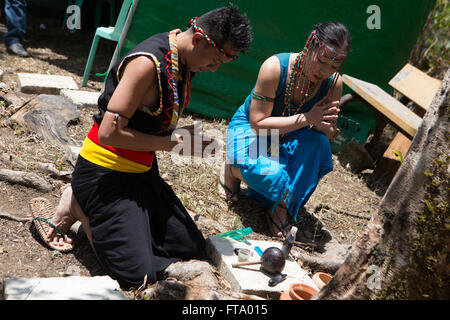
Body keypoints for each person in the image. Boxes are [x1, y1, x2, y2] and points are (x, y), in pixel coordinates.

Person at [30, 4, 253, 289]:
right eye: (215, 60)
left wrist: (188, 138)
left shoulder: (182, 59)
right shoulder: (147, 63)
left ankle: (119, 222)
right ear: (198, 39)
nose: (214, 68)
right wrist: (172, 144)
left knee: (189, 246)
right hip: (104, 173)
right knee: (138, 276)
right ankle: (76, 203)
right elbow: (110, 134)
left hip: (141, 171)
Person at [218, 22, 351, 237]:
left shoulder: (333, 85)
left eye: (333, 68)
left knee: (318, 144)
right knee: (275, 178)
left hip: (291, 136)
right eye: (321, 61)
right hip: (253, 134)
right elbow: (258, 123)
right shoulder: (274, 67)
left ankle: (279, 209)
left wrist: (325, 128)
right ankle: (232, 169)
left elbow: (325, 134)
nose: (324, 71)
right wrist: (308, 117)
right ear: (309, 46)